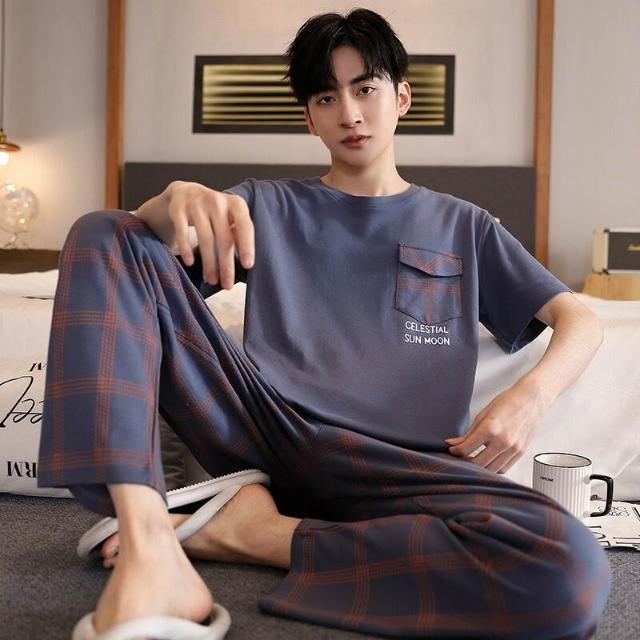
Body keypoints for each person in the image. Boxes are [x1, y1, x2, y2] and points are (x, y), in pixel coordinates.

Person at [38, 7, 611, 640]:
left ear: (402, 97)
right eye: (326, 97)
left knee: (568, 569)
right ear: (310, 118)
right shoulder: (265, 206)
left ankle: (253, 533)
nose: (350, 113)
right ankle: (148, 538)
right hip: (268, 431)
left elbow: (579, 318)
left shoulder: (465, 226)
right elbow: (136, 258)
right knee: (103, 229)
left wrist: (531, 396)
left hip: (406, 469)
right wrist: (168, 200)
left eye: (365, 89)